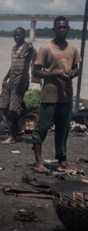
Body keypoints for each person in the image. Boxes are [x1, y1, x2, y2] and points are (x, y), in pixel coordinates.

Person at [32, 16, 81, 173]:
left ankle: (62, 161)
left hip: (66, 94)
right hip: (50, 93)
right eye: (59, 28)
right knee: (43, 127)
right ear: (54, 30)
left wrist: (73, 72)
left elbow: (77, 68)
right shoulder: (46, 48)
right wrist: (54, 73)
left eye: (64, 27)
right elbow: (35, 70)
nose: (62, 30)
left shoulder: (72, 49)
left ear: (68, 29)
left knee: (63, 128)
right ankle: (39, 162)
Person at [0, 28, 35, 144]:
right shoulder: (13, 48)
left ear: (24, 35)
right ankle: (16, 127)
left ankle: (12, 137)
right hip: (12, 80)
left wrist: (28, 46)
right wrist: (5, 77)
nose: (16, 37)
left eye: (19, 35)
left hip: (21, 81)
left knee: (13, 109)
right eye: (15, 35)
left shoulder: (27, 46)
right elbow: (13, 65)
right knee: (3, 106)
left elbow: (30, 47)